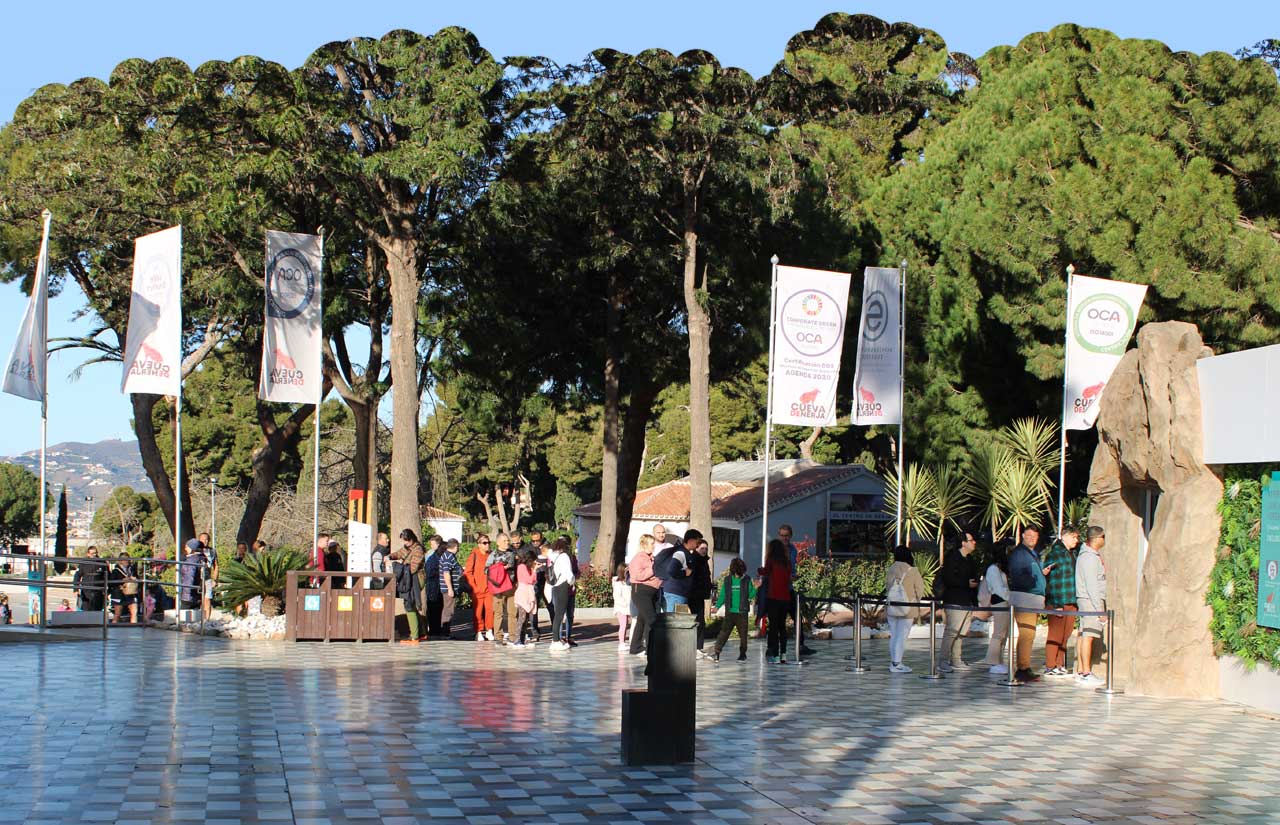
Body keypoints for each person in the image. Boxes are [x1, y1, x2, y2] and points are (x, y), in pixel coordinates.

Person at [1007, 525, 1052, 682]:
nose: (1032, 538)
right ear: (1023, 536)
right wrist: (1034, 583)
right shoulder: (1020, 553)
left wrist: (1040, 575)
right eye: (1029, 535)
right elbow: (1018, 575)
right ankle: (1022, 668)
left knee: (1029, 634)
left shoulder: (1031, 553)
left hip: (1031, 598)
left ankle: (1024, 666)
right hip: (1025, 597)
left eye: (1034, 536)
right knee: (1027, 634)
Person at [938, 531, 980, 673]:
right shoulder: (952, 558)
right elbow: (949, 579)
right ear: (963, 543)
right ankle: (943, 661)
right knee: (952, 631)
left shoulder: (969, 559)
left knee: (961, 632)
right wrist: (966, 583)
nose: (974, 542)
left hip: (966, 600)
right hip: (955, 600)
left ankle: (956, 659)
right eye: (971, 540)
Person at [1043, 526, 1080, 677]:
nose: (1076, 540)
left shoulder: (1073, 553)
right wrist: (1056, 604)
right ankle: (1050, 665)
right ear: (1064, 536)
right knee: (1055, 634)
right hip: (1058, 600)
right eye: (1073, 537)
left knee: (1066, 634)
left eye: (1077, 537)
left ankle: (1060, 663)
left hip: (1071, 599)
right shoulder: (1055, 553)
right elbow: (1050, 578)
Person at [1074, 526, 1108, 686]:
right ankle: (1086, 673)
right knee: (1088, 635)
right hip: (1089, 600)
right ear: (1097, 538)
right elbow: (1092, 585)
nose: (1104, 540)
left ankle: (1081, 670)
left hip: (1086, 600)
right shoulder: (1089, 558)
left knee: (1083, 633)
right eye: (1103, 537)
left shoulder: (1088, 555)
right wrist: (1099, 610)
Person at [885, 545, 926, 673]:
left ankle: (894, 661)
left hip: (892, 606)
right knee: (902, 636)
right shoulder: (912, 571)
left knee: (894, 635)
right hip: (908, 607)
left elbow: (887, 586)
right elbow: (920, 590)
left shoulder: (891, 569)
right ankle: (897, 664)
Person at [777, 524, 816, 656]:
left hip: (789, 589)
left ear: (791, 536)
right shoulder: (775, 550)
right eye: (782, 535)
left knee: (797, 617)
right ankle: (773, 648)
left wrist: (793, 575)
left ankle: (801, 645)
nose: (784, 538)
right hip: (777, 590)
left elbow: (791, 567)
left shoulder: (793, 549)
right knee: (778, 620)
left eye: (787, 535)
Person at [711, 558, 757, 662]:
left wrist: (755, 588)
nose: (739, 573)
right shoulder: (727, 580)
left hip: (742, 612)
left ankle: (742, 654)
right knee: (724, 633)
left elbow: (750, 595)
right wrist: (717, 606)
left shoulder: (747, 579)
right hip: (730, 612)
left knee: (743, 636)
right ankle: (717, 653)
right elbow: (723, 595)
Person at [389, 529, 426, 644]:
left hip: (415, 580)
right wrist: (390, 557)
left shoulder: (418, 550)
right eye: (403, 541)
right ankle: (422, 633)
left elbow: (413, 568)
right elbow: (399, 553)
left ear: (412, 539)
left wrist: (399, 567)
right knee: (412, 605)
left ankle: (414, 637)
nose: (405, 543)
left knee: (409, 605)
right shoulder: (407, 548)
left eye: (406, 541)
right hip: (409, 579)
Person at [628, 535, 662, 656]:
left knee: (642, 621)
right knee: (651, 620)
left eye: (654, 543)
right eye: (651, 543)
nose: (654, 546)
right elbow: (638, 575)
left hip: (651, 592)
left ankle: (635, 647)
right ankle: (651, 648)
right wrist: (654, 569)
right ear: (644, 544)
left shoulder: (651, 558)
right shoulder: (638, 558)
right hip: (641, 592)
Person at [982, 541, 1013, 674]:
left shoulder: (999, 569)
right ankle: (993, 661)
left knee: (1003, 633)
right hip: (999, 602)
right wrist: (1011, 597)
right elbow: (998, 589)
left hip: (1004, 602)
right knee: (999, 632)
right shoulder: (993, 569)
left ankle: (998, 660)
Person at [760, 539, 793, 663]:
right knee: (782, 626)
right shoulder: (787, 562)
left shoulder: (771, 560)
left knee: (773, 627)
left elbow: (765, 572)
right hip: (785, 597)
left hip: (773, 597)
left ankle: (775, 654)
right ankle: (783, 654)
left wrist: (759, 570)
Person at [485, 533, 518, 645]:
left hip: (511, 586)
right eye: (504, 541)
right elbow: (486, 570)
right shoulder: (493, 555)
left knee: (512, 612)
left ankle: (513, 636)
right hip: (498, 587)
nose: (507, 543)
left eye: (507, 541)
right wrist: (499, 568)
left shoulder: (512, 553)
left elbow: (515, 566)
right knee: (498, 612)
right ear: (498, 542)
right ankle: (498, 636)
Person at [657, 529, 699, 613]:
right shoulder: (681, 553)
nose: (698, 545)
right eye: (697, 542)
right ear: (690, 541)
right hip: (676, 593)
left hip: (679, 593)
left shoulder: (685, 552)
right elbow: (671, 570)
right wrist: (685, 573)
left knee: (677, 618)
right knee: (674, 619)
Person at [547, 537, 576, 652]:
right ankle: (555, 641)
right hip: (563, 586)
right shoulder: (564, 557)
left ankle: (555, 640)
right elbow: (569, 574)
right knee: (559, 615)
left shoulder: (554, 556)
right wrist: (572, 582)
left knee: (557, 614)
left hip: (555, 586)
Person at [464, 534, 493, 641]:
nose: (487, 545)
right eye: (484, 543)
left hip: (489, 588)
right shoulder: (474, 555)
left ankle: (489, 629)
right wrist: (474, 586)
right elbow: (468, 572)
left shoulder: (491, 555)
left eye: (488, 542)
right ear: (479, 544)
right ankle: (479, 631)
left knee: (490, 610)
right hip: (478, 588)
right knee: (478, 611)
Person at [689, 538, 713, 657]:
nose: (704, 550)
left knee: (700, 621)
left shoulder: (704, 561)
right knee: (696, 620)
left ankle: (698, 647)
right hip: (693, 594)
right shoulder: (694, 560)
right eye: (702, 548)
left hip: (700, 595)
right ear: (696, 548)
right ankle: (694, 647)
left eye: (706, 549)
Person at [512, 548, 538, 648]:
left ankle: (522, 640)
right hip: (523, 594)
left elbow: (534, 580)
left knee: (526, 619)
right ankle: (517, 640)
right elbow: (529, 580)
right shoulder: (521, 567)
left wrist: (533, 570)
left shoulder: (528, 568)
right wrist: (534, 570)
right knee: (522, 618)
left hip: (528, 593)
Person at [438, 538, 464, 638]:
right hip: (448, 588)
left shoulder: (448, 556)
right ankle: (445, 633)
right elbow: (446, 573)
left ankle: (446, 632)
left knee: (448, 609)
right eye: (458, 547)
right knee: (448, 610)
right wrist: (450, 588)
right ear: (455, 546)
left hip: (450, 587)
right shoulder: (448, 557)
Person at [108, 556, 141, 624]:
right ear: (120, 561)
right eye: (124, 559)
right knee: (118, 613)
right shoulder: (115, 571)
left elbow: (137, 578)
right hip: (118, 594)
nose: (127, 561)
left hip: (131, 593)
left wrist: (134, 578)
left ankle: (133, 627)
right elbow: (111, 582)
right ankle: (114, 626)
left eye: (128, 559)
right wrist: (122, 580)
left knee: (134, 611)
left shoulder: (132, 570)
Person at [73, 546, 106, 612]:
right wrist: (75, 589)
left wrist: (107, 590)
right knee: (86, 610)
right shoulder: (84, 563)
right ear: (88, 554)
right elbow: (77, 575)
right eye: (92, 553)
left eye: (95, 553)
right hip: (86, 590)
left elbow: (107, 576)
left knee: (97, 610)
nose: (94, 555)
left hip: (98, 590)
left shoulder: (102, 562)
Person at [422, 536, 444, 636]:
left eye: (433, 544)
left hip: (436, 585)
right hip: (432, 584)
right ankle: (433, 629)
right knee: (432, 607)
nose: (431, 546)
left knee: (437, 607)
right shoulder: (431, 554)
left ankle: (436, 629)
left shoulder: (438, 555)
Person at [178, 538, 205, 612]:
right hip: (197, 594)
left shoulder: (191, 561)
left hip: (188, 595)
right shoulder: (200, 558)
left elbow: (189, 577)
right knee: (195, 615)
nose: (185, 549)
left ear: (192, 548)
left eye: (187, 547)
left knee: (184, 614)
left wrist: (187, 593)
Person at [530, 531, 547, 639]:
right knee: (534, 607)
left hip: (546, 581)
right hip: (534, 581)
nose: (535, 542)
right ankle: (535, 631)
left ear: (542, 538)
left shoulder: (548, 547)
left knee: (551, 606)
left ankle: (556, 630)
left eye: (538, 540)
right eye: (533, 541)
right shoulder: (529, 548)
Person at [612, 563, 632, 651]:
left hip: (626, 607)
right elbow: (617, 596)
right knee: (623, 625)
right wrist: (625, 604)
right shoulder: (618, 583)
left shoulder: (627, 582)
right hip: (621, 608)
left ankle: (623, 641)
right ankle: (621, 643)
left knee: (626, 624)